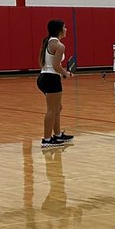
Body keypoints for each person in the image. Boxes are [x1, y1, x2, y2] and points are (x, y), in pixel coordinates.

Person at [37, 19, 74, 148]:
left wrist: (62, 72)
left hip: (44, 77)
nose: (66, 29)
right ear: (59, 29)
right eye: (64, 27)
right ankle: (47, 140)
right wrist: (66, 73)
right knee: (52, 110)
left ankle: (57, 135)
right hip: (51, 78)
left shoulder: (48, 41)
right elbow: (56, 66)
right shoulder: (59, 46)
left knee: (57, 108)